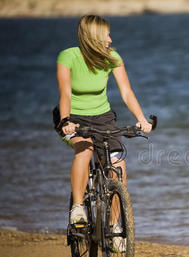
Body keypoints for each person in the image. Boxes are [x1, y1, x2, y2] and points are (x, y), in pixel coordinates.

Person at [56, 15, 152, 225]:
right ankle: (78, 207)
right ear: (93, 36)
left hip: (103, 118)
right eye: (106, 35)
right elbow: (65, 93)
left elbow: (126, 92)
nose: (110, 39)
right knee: (85, 149)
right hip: (73, 116)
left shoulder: (113, 57)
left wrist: (141, 119)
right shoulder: (68, 57)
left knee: (119, 166)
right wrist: (65, 120)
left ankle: (113, 227)